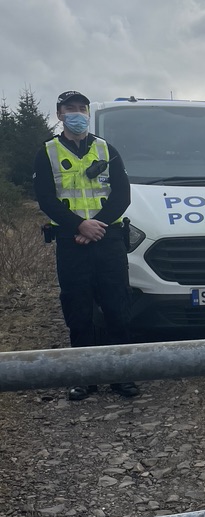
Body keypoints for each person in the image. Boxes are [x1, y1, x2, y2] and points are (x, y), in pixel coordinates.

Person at [33, 90, 140, 401]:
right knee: (78, 310)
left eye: (82, 108)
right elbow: (46, 198)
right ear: (59, 114)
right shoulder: (48, 151)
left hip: (108, 239)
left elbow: (122, 196)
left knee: (117, 307)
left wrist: (97, 226)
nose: (77, 113)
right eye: (70, 108)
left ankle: (123, 376)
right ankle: (84, 378)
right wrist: (79, 225)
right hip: (71, 241)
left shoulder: (108, 150)